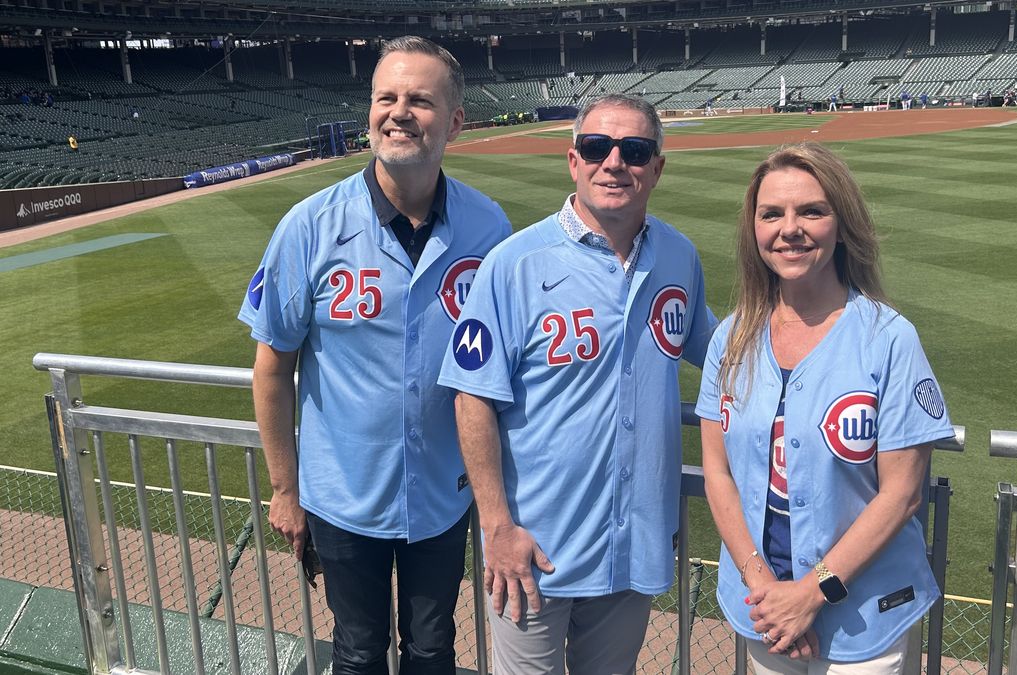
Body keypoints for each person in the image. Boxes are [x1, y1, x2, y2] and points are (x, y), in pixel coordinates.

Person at [238, 36, 511, 675]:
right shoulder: (308, 226)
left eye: (420, 99)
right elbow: (272, 367)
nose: (399, 112)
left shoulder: (488, 227)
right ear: (368, 111)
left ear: (455, 121)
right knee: (358, 651)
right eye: (386, 97)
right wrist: (285, 488)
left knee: (432, 649)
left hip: (445, 493)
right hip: (341, 496)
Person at [438, 93, 715, 674]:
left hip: (633, 546)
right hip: (534, 551)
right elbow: (472, 398)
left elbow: (722, 353)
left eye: (635, 150)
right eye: (597, 147)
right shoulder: (514, 264)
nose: (615, 162)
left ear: (657, 168)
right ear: (574, 160)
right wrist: (497, 527)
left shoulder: (677, 256)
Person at [695, 143, 954, 674]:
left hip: (865, 614)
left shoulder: (888, 338)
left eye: (811, 210)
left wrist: (811, 594)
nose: (790, 228)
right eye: (772, 214)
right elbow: (718, 472)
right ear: (754, 229)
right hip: (763, 608)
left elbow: (902, 493)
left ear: (842, 224)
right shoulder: (731, 337)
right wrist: (762, 585)